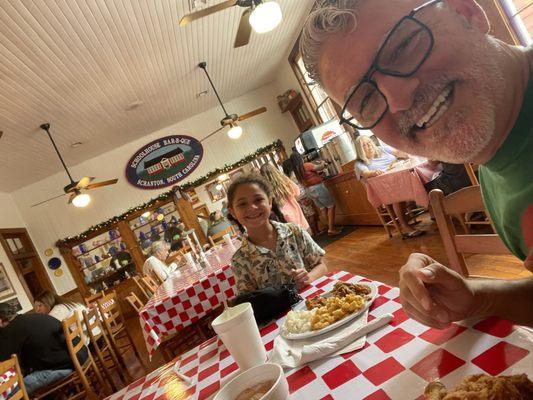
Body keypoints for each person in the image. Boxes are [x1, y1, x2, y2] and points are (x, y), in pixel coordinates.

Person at [300, 0, 533, 327]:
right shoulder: (494, 177)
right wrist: (476, 297)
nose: (398, 99)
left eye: (404, 46)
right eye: (365, 100)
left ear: (465, 11)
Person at [227, 173, 328, 294]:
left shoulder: (295, 232)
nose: (252, 207)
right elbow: (249, 300)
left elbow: (322, 265)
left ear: (269, 202)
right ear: (232, 212)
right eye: (242, 204)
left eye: (258, 200)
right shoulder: (240, 261)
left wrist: (309, 277)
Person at [0, 303, 88, 395]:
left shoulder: (11, 330)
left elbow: (3, 360)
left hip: (67, 366)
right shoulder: (33, 317)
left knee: (13, 392)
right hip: (81, 354)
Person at [354, 135, 424, 238]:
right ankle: (404, 226)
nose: (369, 145)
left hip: (400, 179)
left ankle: (435, 214)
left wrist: (408, 154)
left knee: (419, 177)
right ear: (360, 150)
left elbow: (400, 153)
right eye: (364, 145)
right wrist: (374, 172)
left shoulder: (382, 149)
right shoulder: (359, 163)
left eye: (369, 142)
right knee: (395, 194)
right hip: (384, 189)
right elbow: (365, 173)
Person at [289, 150, 342, 235]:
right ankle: (331, 229)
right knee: (331, 206)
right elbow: (320, 167)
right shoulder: (305, 165)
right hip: (317, 188)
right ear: (300, 158)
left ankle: (330, 227)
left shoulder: (296, 171)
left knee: (322, 208)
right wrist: (323, 162)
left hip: (309, 191)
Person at [259, 162, 310, 231]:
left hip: (282, 217)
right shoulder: (285, 181)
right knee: (305, 235)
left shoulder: (265, 189)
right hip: (295, 211)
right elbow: (297, 192)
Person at [34, 291, 98, 345]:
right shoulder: (68, 303)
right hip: (94, 331)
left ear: (48, 302)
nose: (37, 310)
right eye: (36, 307)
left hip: (83, 342)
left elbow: (46, 333)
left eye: (40, 306)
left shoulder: (56, 311)